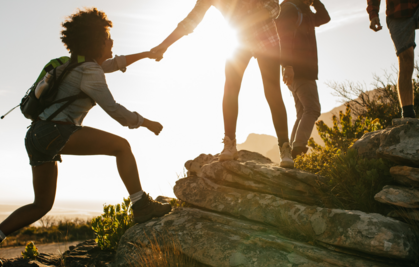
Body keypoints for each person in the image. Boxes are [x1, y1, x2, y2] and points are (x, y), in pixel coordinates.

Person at [0, 8, 171, 245]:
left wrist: (146, 54)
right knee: (121, 146)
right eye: (108, 38)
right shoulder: (89, 71)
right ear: (98, 42)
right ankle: (141, 204)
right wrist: (146, 122)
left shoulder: (73, 64)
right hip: (55, 132)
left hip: (36, 135)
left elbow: (112, 63)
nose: (112, 43)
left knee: (41, 205)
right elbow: (114, 110)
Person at [150, 0, 295, 168]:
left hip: (265, 36)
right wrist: (165, 45)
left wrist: (245, 21)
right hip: (239, 40)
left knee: (272, 91)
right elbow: (191, 20)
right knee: (231, 88)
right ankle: (229, 143)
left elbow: (273, 7)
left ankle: (285, 147)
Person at [276, 0, 330, 159]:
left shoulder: (305, 13)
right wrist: (287, 65)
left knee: (302, 113)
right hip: (299, 70)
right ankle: (297, 149)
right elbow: (284, 38)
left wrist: (315, 2)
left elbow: (324, 18)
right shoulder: (289, 8)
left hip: (299, 70)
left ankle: (292, 151)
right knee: (312, 109)